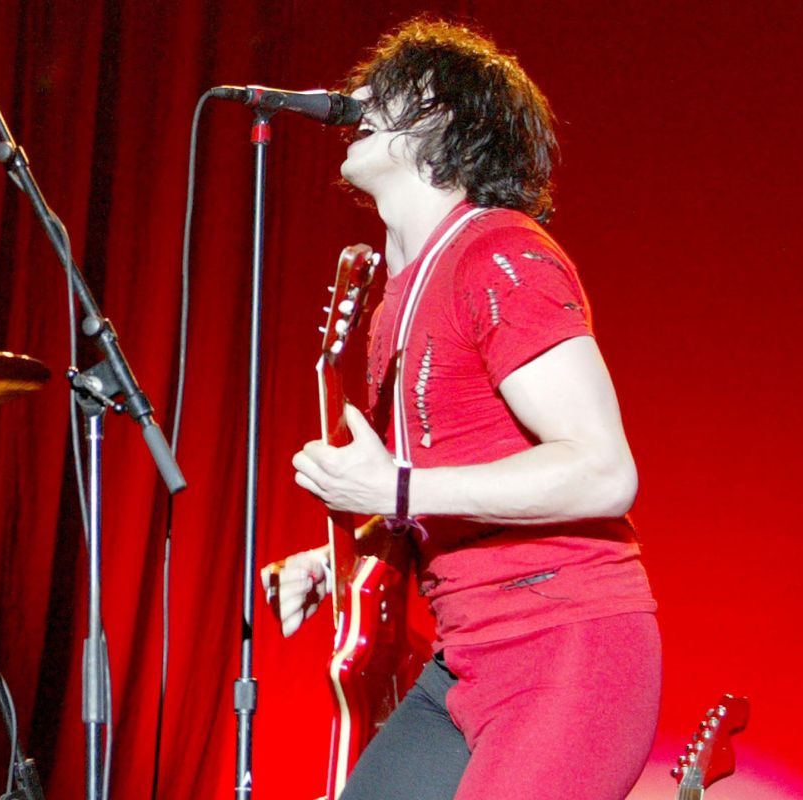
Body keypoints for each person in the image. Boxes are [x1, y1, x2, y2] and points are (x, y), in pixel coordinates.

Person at [264, 19, 659, 800]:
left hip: (566, 651)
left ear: (444, 116)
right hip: (463, 660)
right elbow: (447, 487)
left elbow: (602, 470)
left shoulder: (500, 252)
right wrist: (343, 557)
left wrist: (398, 489)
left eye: (387, 87)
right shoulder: (396, 301)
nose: (356, 99)